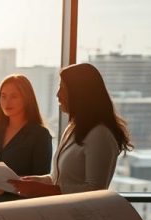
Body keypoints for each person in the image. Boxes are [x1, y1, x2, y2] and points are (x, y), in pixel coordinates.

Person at [9, 63, 133, 198]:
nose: (57, 94)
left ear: (78, 93)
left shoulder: (100, 134)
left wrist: (46, 190)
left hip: (79, 216)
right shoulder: (73, 128)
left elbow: (96, 190)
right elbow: (59, 179)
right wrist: (35, 181)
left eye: (62, 88)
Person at [0, 74, 53, 204]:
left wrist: (5, 189)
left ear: (26, 99)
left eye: (14, 96)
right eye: (3, 96)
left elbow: (40, 183)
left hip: (18, 208)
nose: (7, 102)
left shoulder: (40, 135)